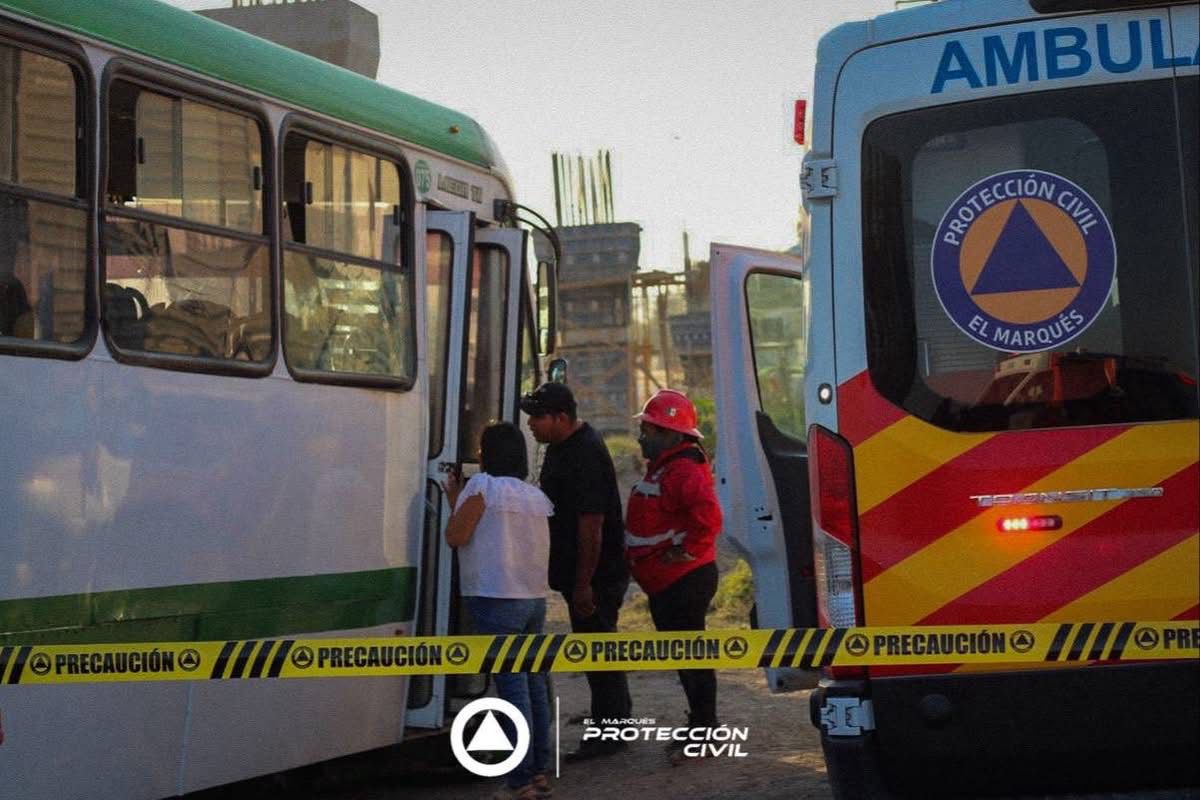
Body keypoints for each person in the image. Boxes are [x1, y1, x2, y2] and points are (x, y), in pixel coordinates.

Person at [519, 382, 632, 761]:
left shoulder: (583, 453)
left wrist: (584, 583)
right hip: (581, 573)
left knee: (599, 651)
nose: (531, 424)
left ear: (561, 417)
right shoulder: (561, 447)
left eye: (537, 417)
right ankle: (607, 718)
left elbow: (592, 526)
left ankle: (611, 732)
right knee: (594, 651)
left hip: (596, 575)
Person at [444, 422, 555, 800]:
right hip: (533, 600)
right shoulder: (533, 495)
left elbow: (457, 536)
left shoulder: (482, 487)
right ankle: (539, 771)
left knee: (511, 689)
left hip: (494, 598)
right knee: (534, 685)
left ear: (487, 454)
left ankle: (520, 780)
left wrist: (454, 499)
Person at [624, 389, 723, 766]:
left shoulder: (683, 470)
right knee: (686, 656)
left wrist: (686, 552)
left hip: (685, 580)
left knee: (692, 655)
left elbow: (709, 518)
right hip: (668, 582)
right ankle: (700, 723)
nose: (642, 436)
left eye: (650, 430)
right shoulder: (666, 466)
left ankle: (705, 728)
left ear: (671, 434)